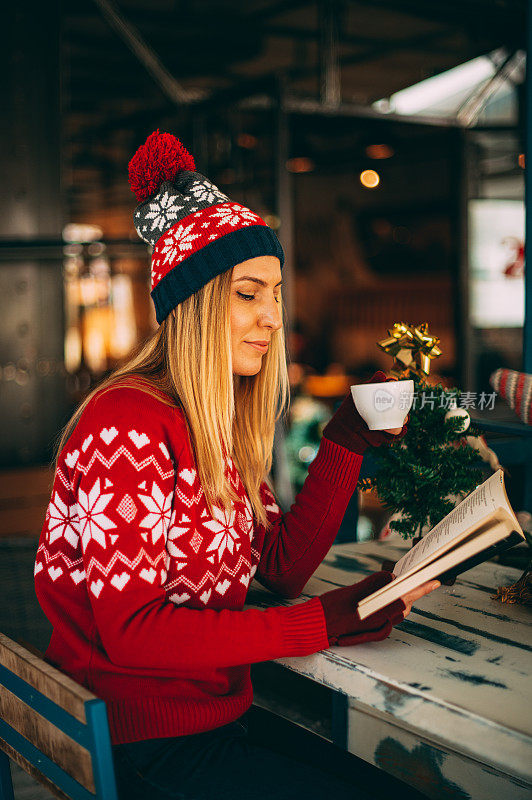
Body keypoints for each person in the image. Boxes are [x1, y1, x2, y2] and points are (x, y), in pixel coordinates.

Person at [35, 131, 439, 800]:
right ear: (194, 305)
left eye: (276, 294)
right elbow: (132, 633)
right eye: (250, 293)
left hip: (211, 721)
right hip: (140, 747)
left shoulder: (213, 423)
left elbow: (276, 570)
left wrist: (344, 440)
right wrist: (319, 623)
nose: (274, 317)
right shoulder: (127, 423)